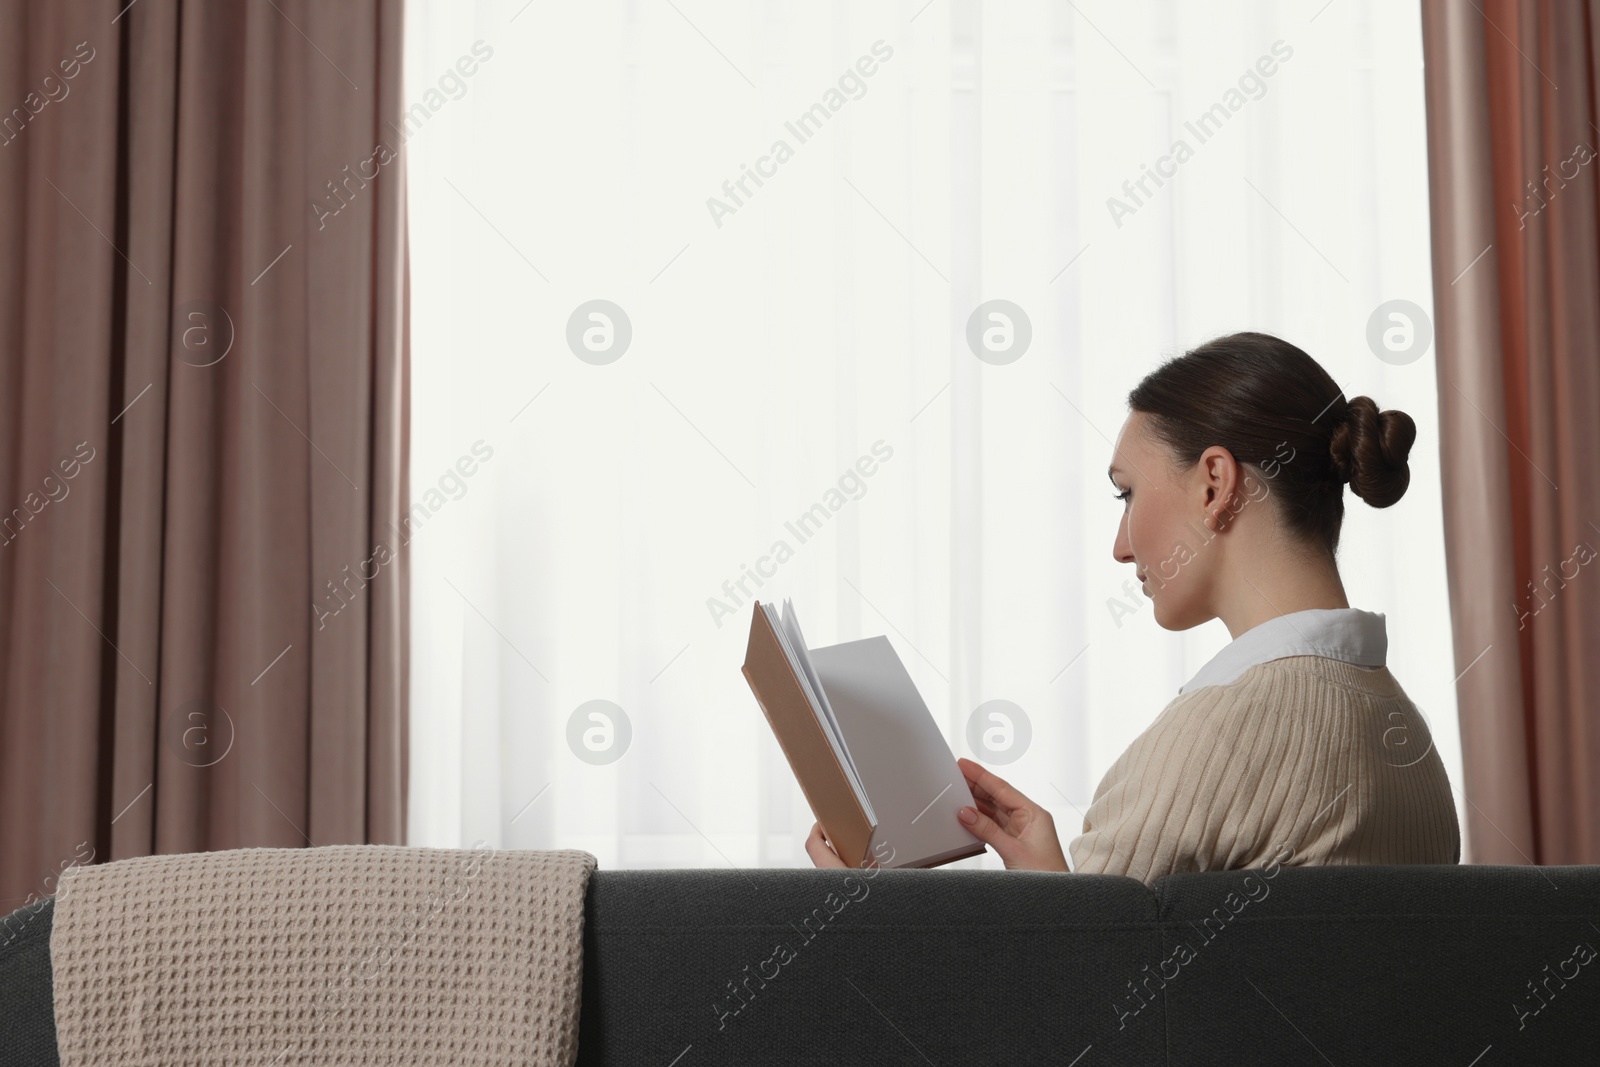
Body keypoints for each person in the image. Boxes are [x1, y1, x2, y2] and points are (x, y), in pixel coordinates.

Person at [806, 331, 1461, 882]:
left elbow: (1065, 1007)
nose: (1121, 547)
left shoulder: (1213, 736)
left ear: (1214, 483)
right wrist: (1057, 890)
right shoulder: (1409, 739)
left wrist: (871, 916)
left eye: (1127, 494)